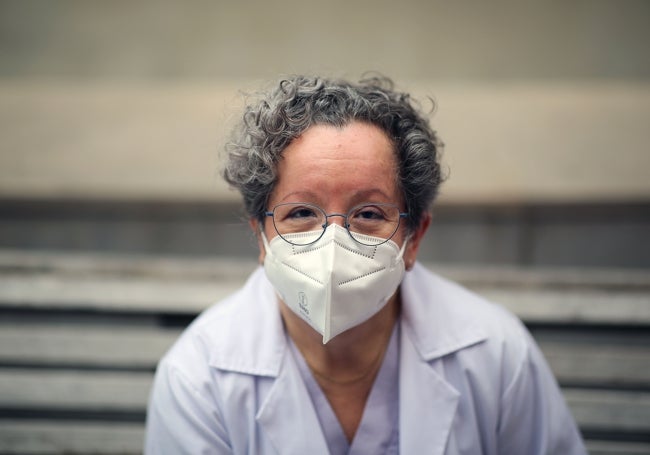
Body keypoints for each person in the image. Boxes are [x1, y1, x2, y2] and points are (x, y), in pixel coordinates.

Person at [145, 74, 586, 454]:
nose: (333, 243)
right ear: (260, 237)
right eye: (301, 213)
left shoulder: (495, 354)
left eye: (369, 214)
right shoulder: (199, 377)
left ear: (414, 238)